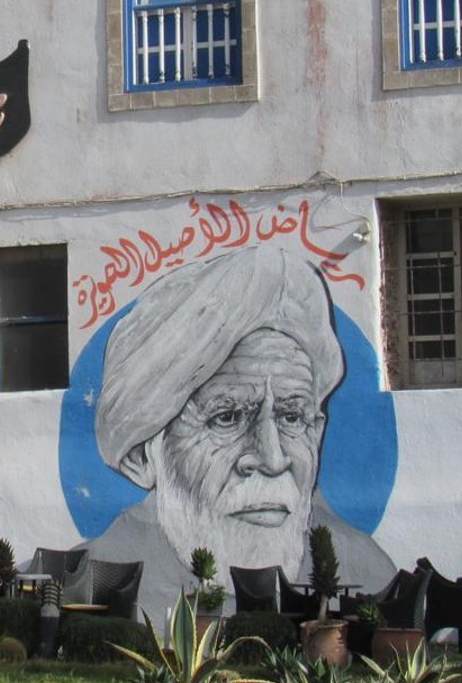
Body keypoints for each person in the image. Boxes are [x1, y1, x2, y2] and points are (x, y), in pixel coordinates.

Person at [87, 245, 394, 625]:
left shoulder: (371, 575)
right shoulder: (95, 578)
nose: (273, 459)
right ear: (141, 456)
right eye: (227, 418)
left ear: (317, 432)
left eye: (292, 417)